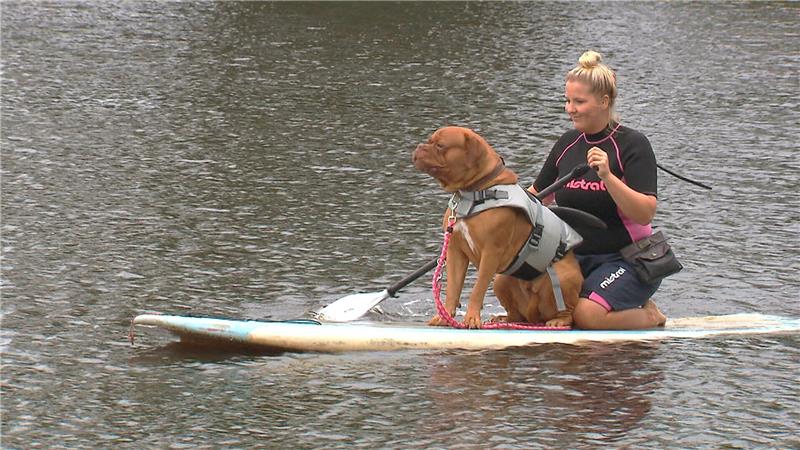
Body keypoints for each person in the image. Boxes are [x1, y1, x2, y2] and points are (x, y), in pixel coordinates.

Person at [527, 50, 666, 329]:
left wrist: (608, 177)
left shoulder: (633, 144)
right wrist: (493, 204)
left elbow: (645, 214)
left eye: (579, 101)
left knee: (585, 316)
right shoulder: (567, 143)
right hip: (576, 259)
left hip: (628, 260)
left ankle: (651, 316)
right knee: (531, 303)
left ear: (604, 101)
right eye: (567, 101)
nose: (570, 109)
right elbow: (536, 197)